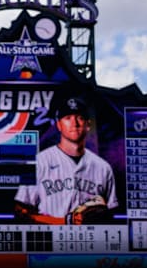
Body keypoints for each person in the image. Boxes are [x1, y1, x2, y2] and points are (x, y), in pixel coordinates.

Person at [15, 96, 117, 224]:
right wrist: (63, 221)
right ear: (59, 125)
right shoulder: (39, 163)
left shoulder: (103, 168)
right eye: (67, 118)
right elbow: (20, 212)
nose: (74, 123)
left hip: (92, 242)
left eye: (80, 118)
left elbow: (112, 214)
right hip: (49, 240)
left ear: (88, 125)